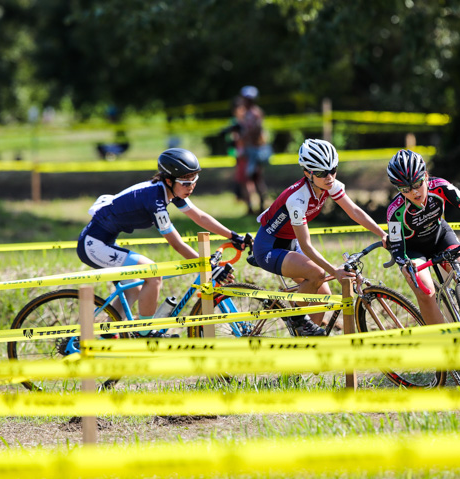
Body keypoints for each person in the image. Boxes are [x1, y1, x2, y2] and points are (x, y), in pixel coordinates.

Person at [77, 148, 247, 337]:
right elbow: (176, 243)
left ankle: (108, 333)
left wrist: (232, 235)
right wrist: (207, 266)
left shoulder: (170, 191)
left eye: (194, 181)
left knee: (134, 288)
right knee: (153, 273)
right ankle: (146, 331)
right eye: (186, 183)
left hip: (102, 241)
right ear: (169, 180)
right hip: (93, 245)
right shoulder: (155, 201)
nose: (191, 187)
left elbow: (199, 217)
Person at [252, 138, 388, 336]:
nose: (330, 177)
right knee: (316, 273)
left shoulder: (328, 185)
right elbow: (306, 246)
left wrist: (383, 234)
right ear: (308, 173)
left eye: (333, 170)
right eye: (323, 173)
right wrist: (335, 271)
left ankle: (305, 349)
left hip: (291, 243)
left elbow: (355, 212)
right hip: (268, 248)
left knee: (323, 296)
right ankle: (296, 318)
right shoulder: (297, 198)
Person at [385, 149, 460, 326]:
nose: (414, 192)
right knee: (426, 293)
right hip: (413, 250)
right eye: (405, 189)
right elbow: (396, 246)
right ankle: (440, 340)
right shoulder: (395, 211)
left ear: (425, 175)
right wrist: (404, 264)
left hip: (441, 237)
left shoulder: (440, 186)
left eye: (417, 184)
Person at [239, 85, 271, 215]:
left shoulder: (255, 113)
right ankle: (252, 206)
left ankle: (262, 204)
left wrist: (245, 137)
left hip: (256, 150)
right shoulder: (246, 113)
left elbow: (255, 131)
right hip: (250, 149)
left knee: (256, 178)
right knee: (250, 178)